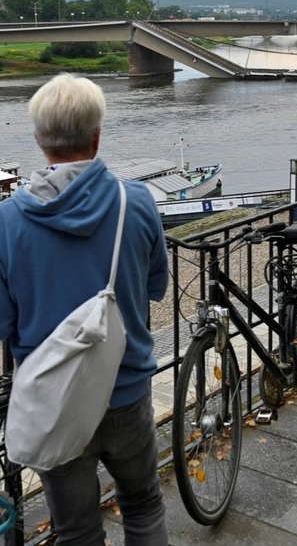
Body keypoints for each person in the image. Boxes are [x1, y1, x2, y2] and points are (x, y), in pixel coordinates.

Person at [0, 73, 169, 546]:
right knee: (143, 504)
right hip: (126, 387)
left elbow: (2, 322)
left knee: (76, 529)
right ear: (96, 136)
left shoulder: (7, 222)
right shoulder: (136, 202)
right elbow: (155, 286)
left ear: (38, 139)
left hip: (54, 399)